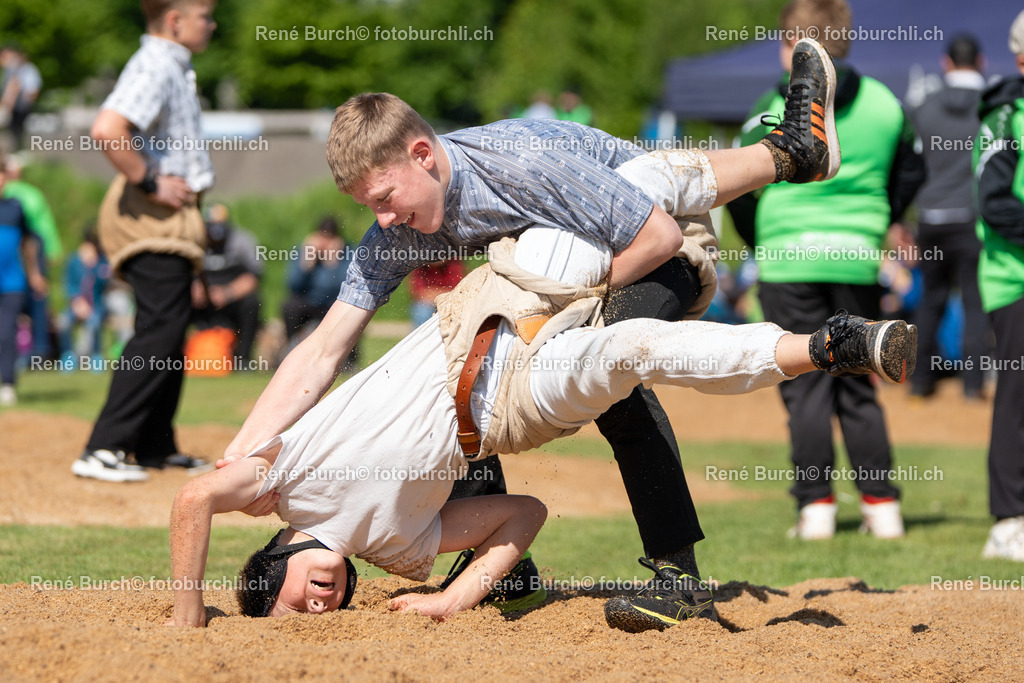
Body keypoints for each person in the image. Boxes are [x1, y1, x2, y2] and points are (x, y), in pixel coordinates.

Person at [220, 37, 841, 633]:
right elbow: (324, 348)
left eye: (386, 198)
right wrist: (243, 452)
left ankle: (678, 581)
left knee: (610, 383)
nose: (383, 220)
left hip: (662, 244)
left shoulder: (514, 163)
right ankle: (788, 154)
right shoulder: (399, 227)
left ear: (422, 155)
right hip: (579, 266)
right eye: (369, 207)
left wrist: (556, 315)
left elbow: (658, 237)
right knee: (470, 387)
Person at [167, 225, 917, 628]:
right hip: (513, 397)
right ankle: (826, 345)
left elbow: (192, 498)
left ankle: (782, 151)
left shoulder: (283, 484)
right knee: (630, 354)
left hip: (490, 305)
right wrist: (450, 598)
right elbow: (526, 512)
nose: (318, 604)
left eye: (292, 602)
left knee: (643, 187)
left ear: (272, 565)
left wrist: (185, 612)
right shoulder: (402, 552)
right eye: (318, 617)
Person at [730, 0, 925, 541]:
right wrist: (877, 218)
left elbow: (740, 196)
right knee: (859, 381)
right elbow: (911, 171)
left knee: (805, 386)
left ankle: (816, 511)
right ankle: (882, 508)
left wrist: (763, 245)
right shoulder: (888, 105)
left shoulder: (770, 106)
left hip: (787, 259)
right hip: (857, 258)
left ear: (795, 47)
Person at [71, 0, 217, 483]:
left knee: (170, 329)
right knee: (159, 328)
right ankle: (103, 447)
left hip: (166, 218)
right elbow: (107, 129)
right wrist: (151, 181)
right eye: (205, 16)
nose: (212, 24)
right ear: (175, 21)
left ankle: (154, 445)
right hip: (149, 216)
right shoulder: (155, 62)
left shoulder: (172, 65)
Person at [907, 34, 990, 400]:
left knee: (931, 298)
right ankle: (972, 387)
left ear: (946, 64)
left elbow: (911, 165)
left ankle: (920, 380)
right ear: (981, 61)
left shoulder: (924, 107)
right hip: (973, 220)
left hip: (931, 219)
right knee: (975, 301)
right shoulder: (992, 109)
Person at [975, 10, 1024, 562]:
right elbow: (996, 202)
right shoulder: (1006, 116)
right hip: (1016, 279)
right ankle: (1009, 521)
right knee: (1017, 397)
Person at [3, 156, 62, 365]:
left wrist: (49, 252)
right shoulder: (28, 193)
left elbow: (35, 230)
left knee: (30, 303)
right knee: (31, 304)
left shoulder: (21, 196)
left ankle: (38, 351)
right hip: (29, 253)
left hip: (26, 255)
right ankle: (35, 350)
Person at [282, 216, 358, 370]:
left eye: (329, 238)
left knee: (353, 310)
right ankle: (291, 351)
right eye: (322, 237)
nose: (324, 242)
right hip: (308, 301)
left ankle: (348, 361)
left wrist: (332, 264)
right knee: (290, 306)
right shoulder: (304, 250)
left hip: (334, 303)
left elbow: (347, 286)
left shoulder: (348, 253)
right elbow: (293, 284)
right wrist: (307, 262)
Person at [0, 152, 45, 406]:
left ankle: (7, 383)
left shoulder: (15, 207)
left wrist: (35, 273)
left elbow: (29, 243)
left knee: (6, 333)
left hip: (11, 281)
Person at [191, 203, 262, 366]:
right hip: (201, 300)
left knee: (252, 302)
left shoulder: (242, 241)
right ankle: (173, 359)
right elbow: (180, 274)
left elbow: (254, 277)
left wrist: (227, 293)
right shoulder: (195, 241)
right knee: (176, 301)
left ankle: (243, 360)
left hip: (232, 298)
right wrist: (195, 290)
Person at [57, 226, 111, 368]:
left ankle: (96, 357)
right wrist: (76, 301)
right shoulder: (73, 262)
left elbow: (105, 283)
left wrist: (93, 267)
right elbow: (68, 284)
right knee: (63, 323)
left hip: (96, 304)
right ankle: (68, 356)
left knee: (94, 322)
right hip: (76, 305)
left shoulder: (101, 262)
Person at [0, 44, 42, 151]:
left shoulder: (22, 69)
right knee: (16, 128)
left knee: (17, 128)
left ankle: (18, 150)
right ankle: (17, 149)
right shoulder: (16, 69)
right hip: (20, 103)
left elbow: (16, 87)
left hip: (21, 103)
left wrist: (8, 103)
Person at [409, 260, 465, 328]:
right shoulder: (420, 265)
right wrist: (443, 293)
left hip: (449, 303)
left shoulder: (454, 263)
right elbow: (419, 293)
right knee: (422, 310)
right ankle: (422, 336)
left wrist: (432, 293)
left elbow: (459, 291)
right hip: (429, 304)